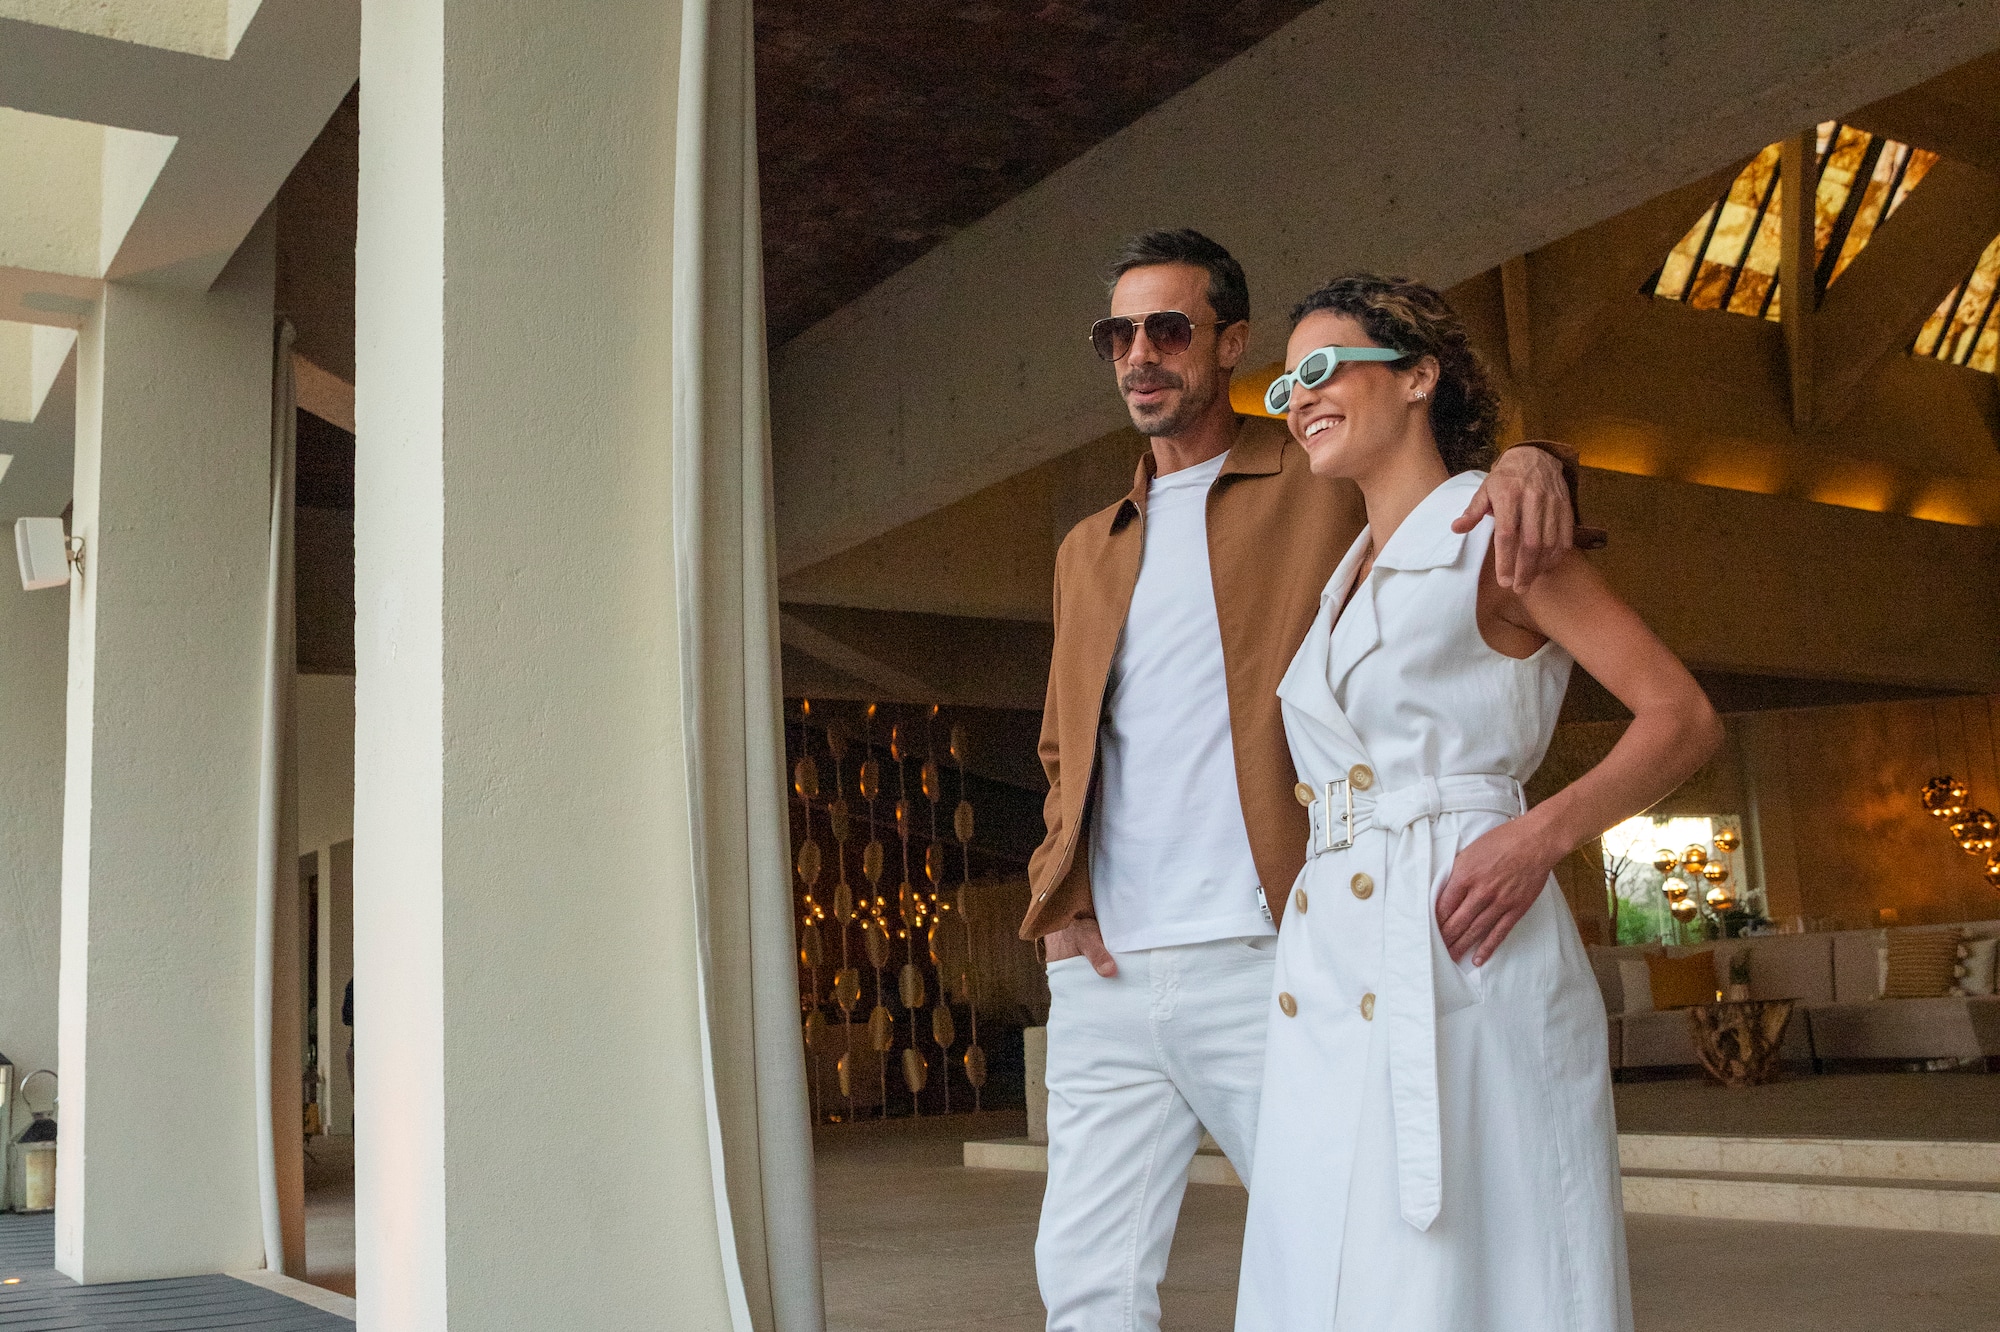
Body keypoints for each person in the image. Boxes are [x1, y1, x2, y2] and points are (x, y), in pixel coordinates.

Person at [1020, 230, 1583, 1332]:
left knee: (1335, 1249)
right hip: (1105, 969)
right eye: (1117, 335)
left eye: (1167, 329)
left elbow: (1427, 473)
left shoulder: (1309, 476)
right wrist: (1059, 891)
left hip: (1268, 948)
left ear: (1229, 343)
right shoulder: (1088, 546)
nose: (1139, 355)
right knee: (1082, 1279)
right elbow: (1063, 744)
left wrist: (1538, 459)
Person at [1235, 274, 1721, 1332]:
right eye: (1283, 385)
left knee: (1479, 1266)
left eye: (1322, 368)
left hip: (1458, 931)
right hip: (1333, 955)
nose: (1297, 395)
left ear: (1417, 375)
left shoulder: (1493, 532)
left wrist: (1537, 836)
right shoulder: (1340, 578)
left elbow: (1677, 717)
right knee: (1337, 1269)